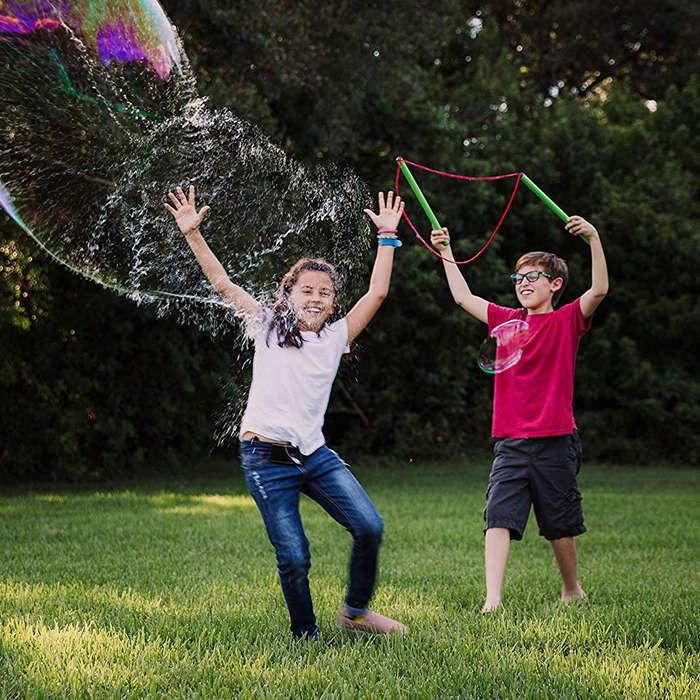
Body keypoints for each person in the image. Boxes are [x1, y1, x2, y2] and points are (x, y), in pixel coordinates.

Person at [165, 185, 407, 638]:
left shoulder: (336, 338)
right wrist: (193, 234)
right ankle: (305, 633)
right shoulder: (267, 326)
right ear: (288, 294)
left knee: (369, 526)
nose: (316, 298)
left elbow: (376, 293)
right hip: (265, 459)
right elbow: (223, 284)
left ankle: (354, 614)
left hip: (314, 456)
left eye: (326, 293)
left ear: (334, 303)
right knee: (294, 555)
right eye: (306, 289)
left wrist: (388, 237)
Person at [430, 216, 608, 612]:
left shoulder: (567, 320)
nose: (523, 283)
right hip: (510, 441)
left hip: (556, 440)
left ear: (555, 284)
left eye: (533, 276)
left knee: (559, 523)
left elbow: (600, 288)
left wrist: (593, 238)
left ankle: (571, 589)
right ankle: (492, 599)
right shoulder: (508, 321)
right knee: (498, 514)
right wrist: (446, 254)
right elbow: (463, 298)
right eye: (518, 278)